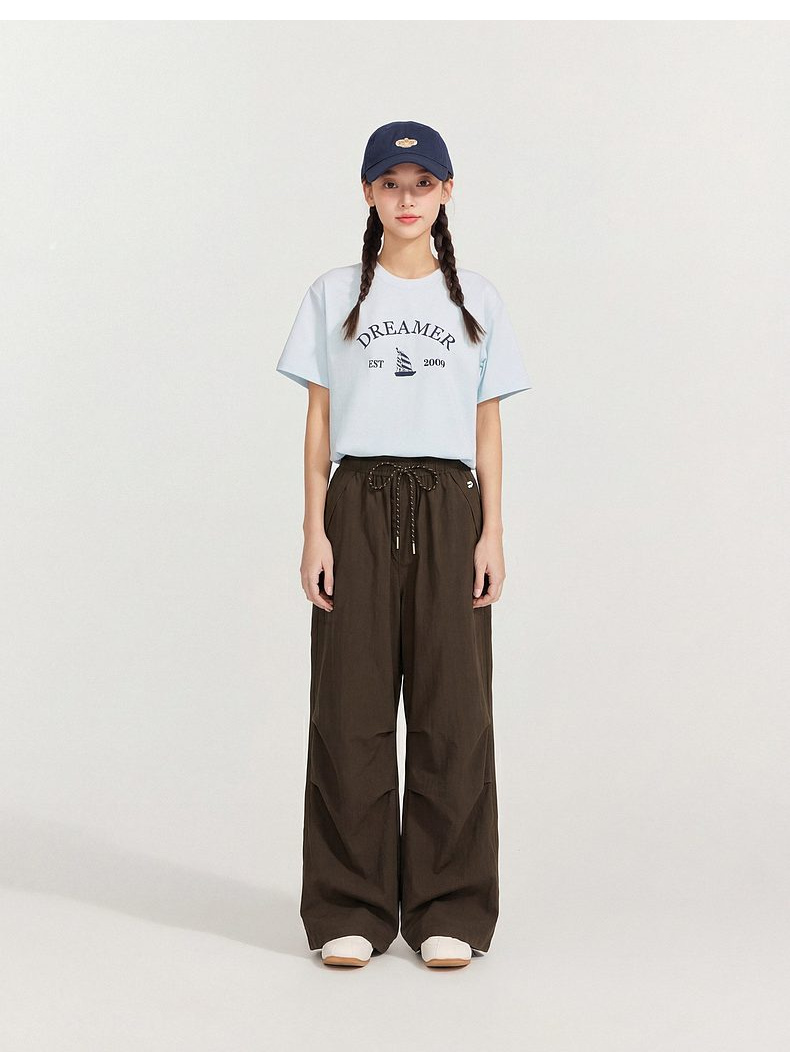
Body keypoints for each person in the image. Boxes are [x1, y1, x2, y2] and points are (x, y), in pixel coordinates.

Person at [276, 120, 533, 969]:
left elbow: (487, 426)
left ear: (447, 192)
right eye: (392, 183)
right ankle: (349, 906)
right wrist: (314, 528)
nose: (408, 198)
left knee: (453, 711)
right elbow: (319, 422)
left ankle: (448, 905)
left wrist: (493, 530)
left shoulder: (477, 300)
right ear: (368, 193)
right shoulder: (333, 295)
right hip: (356, 503)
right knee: (347, 708)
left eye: (424, 184)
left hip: (450, 506)